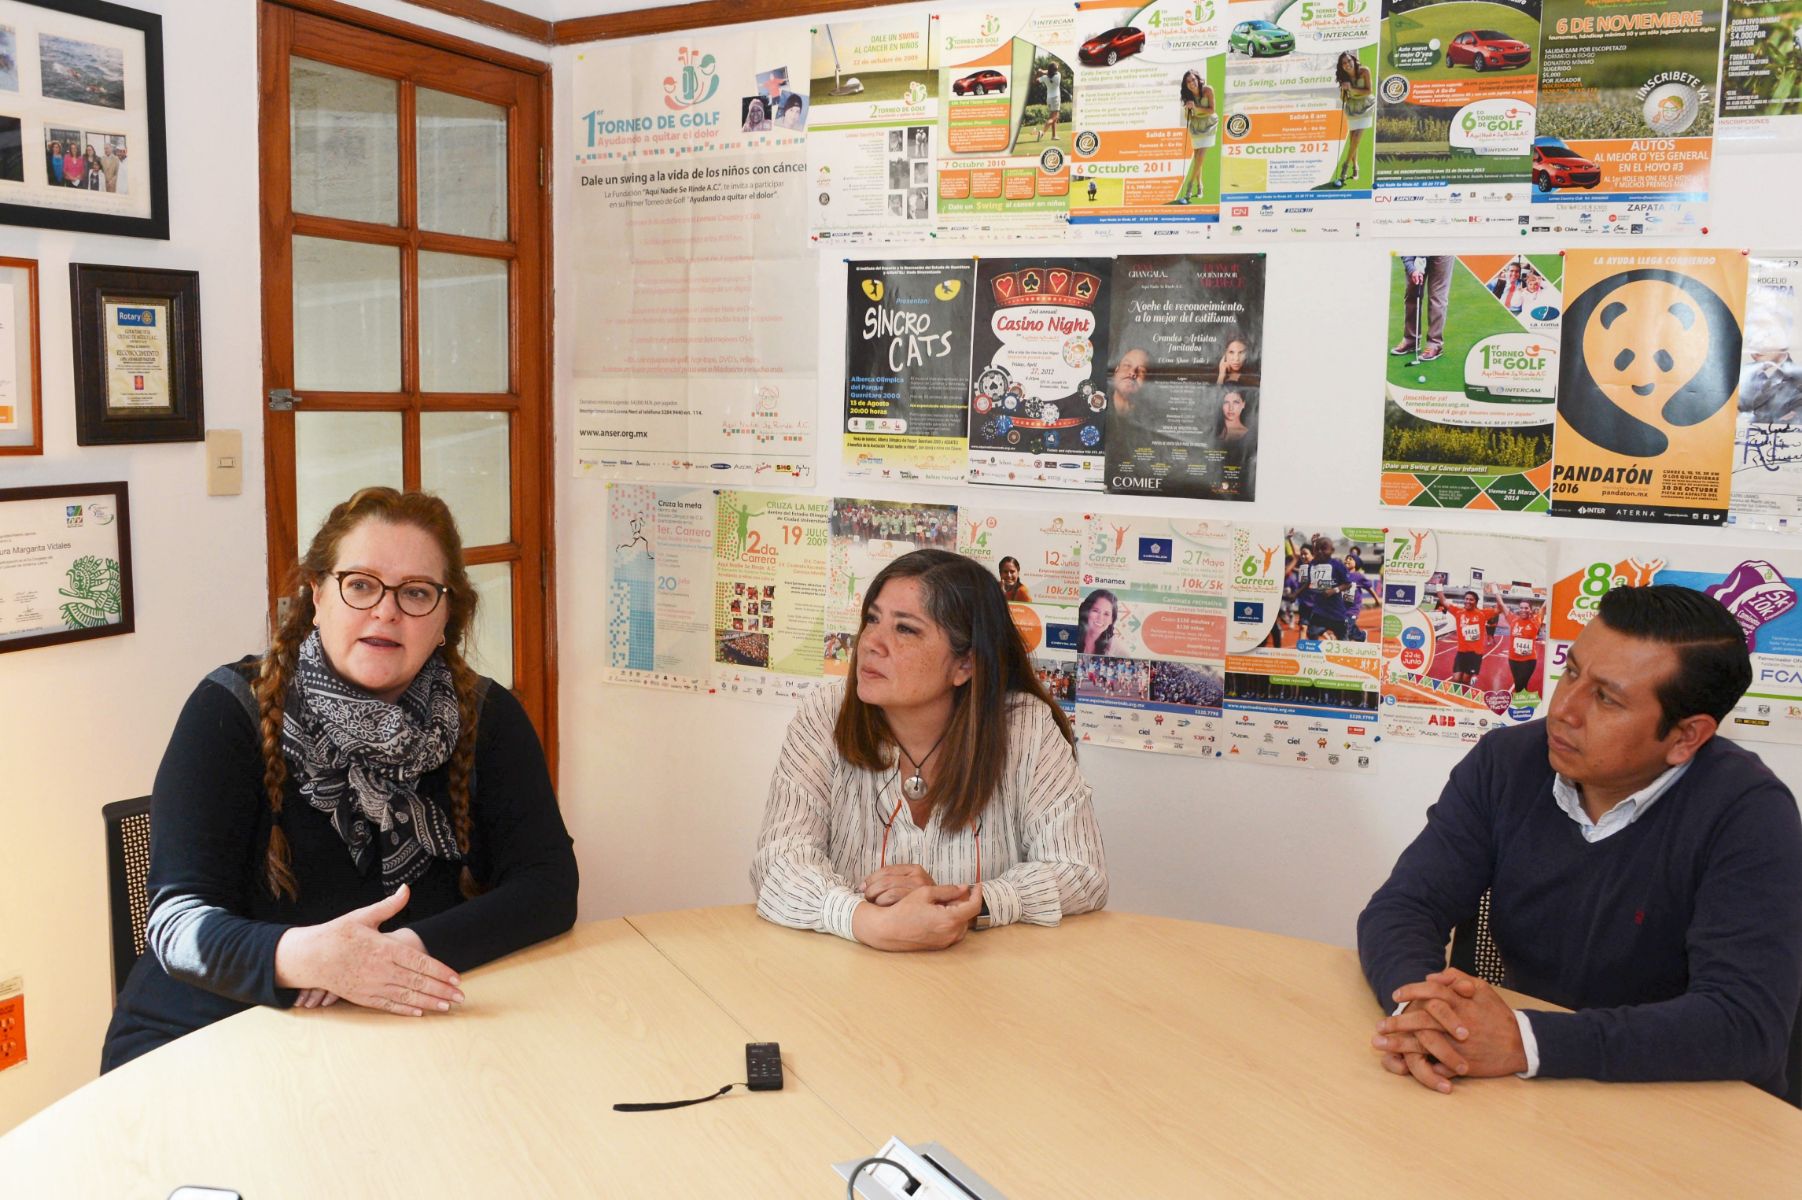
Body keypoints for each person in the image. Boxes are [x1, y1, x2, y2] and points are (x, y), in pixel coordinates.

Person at [101, 488, 579, 1071]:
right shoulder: (228, 710)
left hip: (391, 1036)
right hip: (208, 1041)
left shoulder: (487, 715)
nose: (386, 611)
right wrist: (308, 956)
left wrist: (399, 955)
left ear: (446, 617)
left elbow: (549, 885)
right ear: (317, 595)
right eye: (361, 584)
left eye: (417, 593)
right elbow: (178, 927)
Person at [1358, 586, 1802, 1097]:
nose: (1564, 709)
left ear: (1685, 737)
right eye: (1571, 672)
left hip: (1678, 1105)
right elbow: (1405, 906)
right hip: (1520, 1091)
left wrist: (1524, 1041)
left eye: (1607, 698)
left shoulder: (1749, 813)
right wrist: (1424, 1012)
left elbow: (1745, 1024)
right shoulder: (1506, 762)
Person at [751, 549, 1107, 950]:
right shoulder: (825, 713)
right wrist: (867, 921)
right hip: (844, 977)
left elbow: (1081, 872)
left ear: (964, 665)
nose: (871, 643)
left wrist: (963, 900)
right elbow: (777, 863)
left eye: (905, 629)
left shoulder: (1026, 727)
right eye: (872, 619)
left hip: (984, 987)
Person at [1393, 255, 1452, 362]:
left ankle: (1434, 344)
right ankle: (1410, 340)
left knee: (1437, 296)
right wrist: (1413, 270)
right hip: (1415, 251)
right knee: (1412, 292)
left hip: (1442, 248)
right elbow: (1406, 254)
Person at [1299, 536, 1352, 640]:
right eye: (1317, 549)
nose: (1320, 552)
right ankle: (1316, 655)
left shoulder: (1337, 565)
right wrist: (1295, 594)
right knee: (1311, 633)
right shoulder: (1313, 565)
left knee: (1343, 640)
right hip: (1320, 611)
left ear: (1332, 550)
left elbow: (1348, 584)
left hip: (1337, 612)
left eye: (1323, 549)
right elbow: (1308, 582)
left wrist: (1334, 590)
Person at [1333, 51, 1373, 187]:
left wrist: (1353, 89)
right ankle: (1355, 165)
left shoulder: (1364, 71)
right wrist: (1344, 91)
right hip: (1352, 107)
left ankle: (1345, 167)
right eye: (1344, 63)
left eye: (1349, 61)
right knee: (1353, 139)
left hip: (1366, 105)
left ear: (1353, 60)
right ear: (1342, 66)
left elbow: (1368, 90)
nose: (1347, 64)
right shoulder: (1343, 78)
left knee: (1356, 138)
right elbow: (1344, 99)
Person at [1177, 69, 1215, 205]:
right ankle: (1200, 184)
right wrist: (1187, 110)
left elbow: (1212, 110)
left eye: (1193, 79)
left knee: (1200, 157)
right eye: (1188, 82)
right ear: (1186, 85)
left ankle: (1189, 185)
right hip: (1196, 127)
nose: (1192, 83)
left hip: (1209, 125)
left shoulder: (1208, 90)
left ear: (1198, 79)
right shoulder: (1188, 97)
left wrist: (1197, 108)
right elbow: (1188, 118)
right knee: (1199, 158)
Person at [1447, 590, 1488, 686]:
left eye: (1471, 599)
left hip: (1475, 654)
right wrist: (1438, 585)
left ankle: (1466, 695)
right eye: (1466, 599)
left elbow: (1499, 609)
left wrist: (1496, 591)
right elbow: (1444, 601)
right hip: (1462, 652)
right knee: (1456, 679)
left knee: (1465, 680)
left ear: (1476, 602)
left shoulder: (1482, 614)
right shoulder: (1458, 612)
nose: (1468, 601)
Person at [1502, 601, 1542, 696]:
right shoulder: (1513, 619)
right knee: (1520, 684)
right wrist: (1494, 589)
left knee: (1520, 684)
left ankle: (1519, 704)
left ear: (1530, 609)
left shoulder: (1535, 620)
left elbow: (1543, 608)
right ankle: (1522, 705)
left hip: (1529, 660)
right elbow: (1502, 605)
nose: (1523, 610)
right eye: (1521, 607)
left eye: (1526, 608)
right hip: (1513, 660)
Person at [1109, 346, 1150, 420]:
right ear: (1116, 370)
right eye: (1127, 365)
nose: (1132, 372)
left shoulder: (1150, 419)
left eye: (1141, 370)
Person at [1077, 588, 1117, 656]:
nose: (1100, 618)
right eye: (1095, 611)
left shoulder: (1114, 649)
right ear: (1087, 611)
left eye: (1106, 614)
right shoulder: (1071, 635)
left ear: (1111, 620)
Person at [1036, 61, 1063, 143]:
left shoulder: (1044, 77)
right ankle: (1042, 132)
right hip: (1056, 98)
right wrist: (1042, 71)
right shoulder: (1058, 76)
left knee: (1052, 116)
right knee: (1055, 117)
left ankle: (1054, 135)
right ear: (1055, 70)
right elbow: (1050, 72)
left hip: (1049, 99)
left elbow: (1037, 80)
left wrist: (1039, 72)